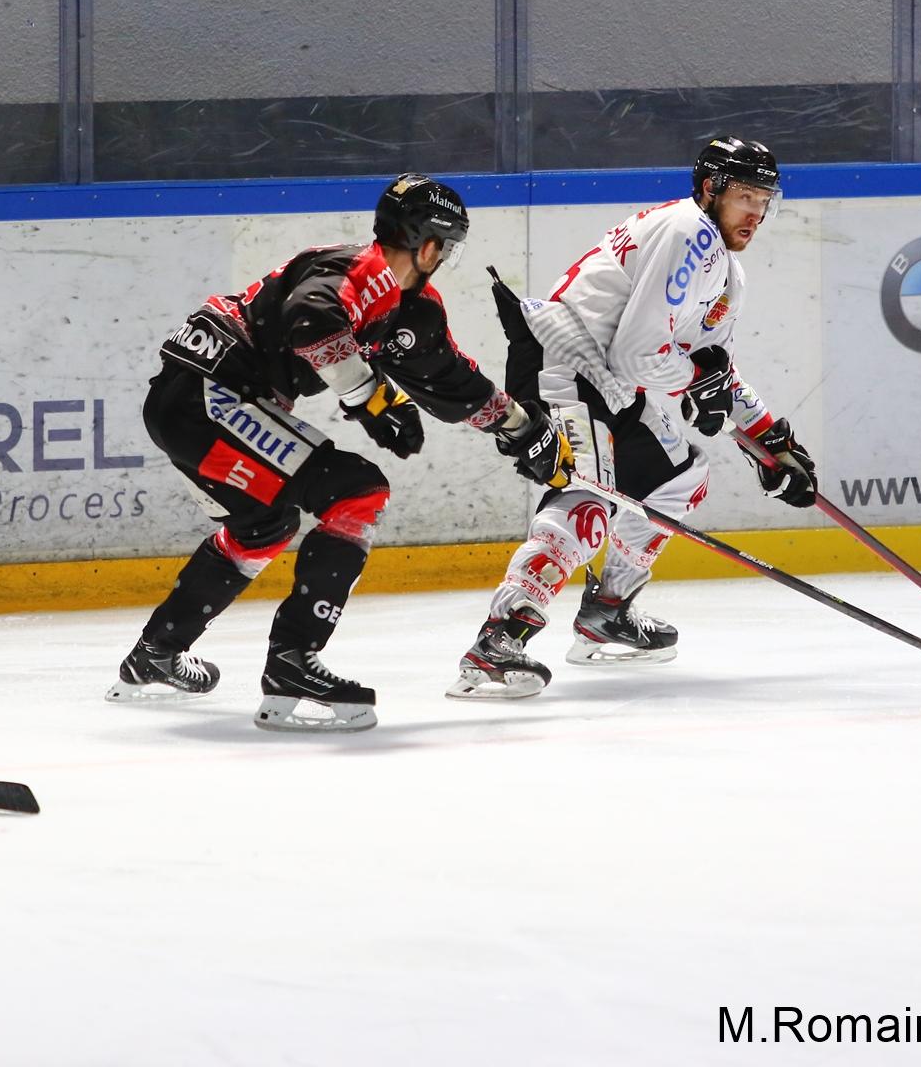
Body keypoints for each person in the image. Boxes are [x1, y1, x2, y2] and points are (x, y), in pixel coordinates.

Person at [109, 174, 573, 731]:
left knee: (264, 527)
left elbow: (450, 380)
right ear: (428, 245)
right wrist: (369, 396)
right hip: (210, 396)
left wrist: (523, 428)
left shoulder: (410, 309)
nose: (444, 258)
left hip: (192, 400)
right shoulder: (362, 270)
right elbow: (310, 320)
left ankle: (155, 653)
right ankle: (292, 664)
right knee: (356, 492)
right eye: (446, 246)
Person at [449, 137, 818, 700]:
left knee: (680, 478)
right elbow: (639, 355)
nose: (756, 214)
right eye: (746, 197)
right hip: (565, 359)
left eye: (765, 201)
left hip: (605, 381)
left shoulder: (726, 271)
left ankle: (608, 610)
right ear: (711, 189)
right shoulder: (689, 232)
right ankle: (500, 637)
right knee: (588, 494)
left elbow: (714, 368)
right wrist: (696, 381)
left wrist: (769, 440)